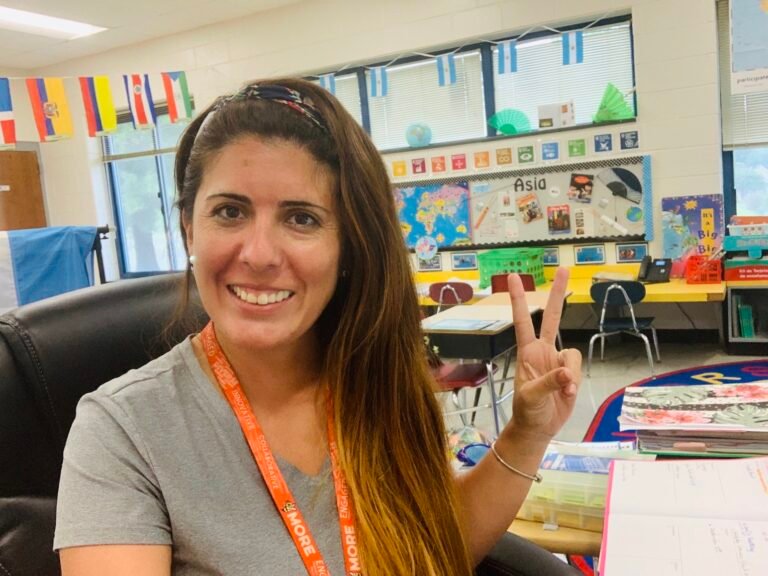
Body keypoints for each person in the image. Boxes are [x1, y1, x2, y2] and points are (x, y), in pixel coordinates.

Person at [54, 78, 581, 575]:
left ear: (348, 245)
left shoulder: (376, 378)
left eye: (301, 218)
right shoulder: (122, 432)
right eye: (230, 211)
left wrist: (526, 434)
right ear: (190, 227)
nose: (258, 254)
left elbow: (431, 552)